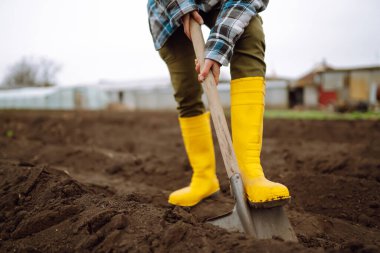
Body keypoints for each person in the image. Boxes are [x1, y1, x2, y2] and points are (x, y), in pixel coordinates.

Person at [147, 0, 290, 207]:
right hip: (167, 13)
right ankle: (203, 178)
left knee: (250, 33)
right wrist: (182, 7)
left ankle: (250, 173)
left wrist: (217, 49)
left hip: (226, 4)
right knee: (187, 89)